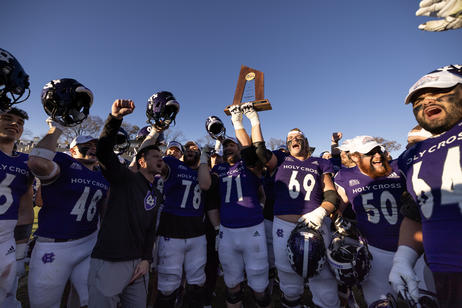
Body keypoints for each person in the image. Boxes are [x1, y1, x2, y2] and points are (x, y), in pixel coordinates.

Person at [388, 64, 462, 307]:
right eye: (418, 99)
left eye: (438, 91)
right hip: (442, 272)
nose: (427, 100)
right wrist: (403, 258)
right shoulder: (412, 155)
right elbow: (415, 211)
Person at [254, 104, 340, 307]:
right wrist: (254, 121)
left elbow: (330, 194)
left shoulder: (320, 162)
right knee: (289, 284)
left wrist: (320, 212)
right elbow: (259, 152)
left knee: (325, 283)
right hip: (283, 225)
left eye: (297, 137)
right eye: (290, 138)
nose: (294, 140)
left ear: (305, 141)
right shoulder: (282, 159)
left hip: (316, 224)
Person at [88, 99, 164, 308]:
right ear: (141, 161)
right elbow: (104, 153)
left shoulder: (155, 193)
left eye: (162, 156)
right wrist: (115, 119)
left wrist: (146, 259)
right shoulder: (125, 178)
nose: (161, 159)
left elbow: (150, 230)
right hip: (111, 259)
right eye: (155, 156)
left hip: (138, 264)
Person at [199, 103, 270, 308]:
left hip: (252, 228)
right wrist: (205, 157)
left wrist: (239, 123)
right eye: (226, 145)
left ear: (239, 147)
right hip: (228, 231)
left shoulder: (249, 165)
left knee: (259, 286)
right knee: (232, 284)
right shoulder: (219, 168)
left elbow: (251, 153)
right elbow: (204, 184)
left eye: (233, 144)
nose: (229, 147)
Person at [334, 136, 407, 304]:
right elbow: (338, 208)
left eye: (378, 150)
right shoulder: (345, 176)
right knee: (380, 302)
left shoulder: (397, 167)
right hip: (375, 251)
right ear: (354, 157)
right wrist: (341, 227)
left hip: (410, 247)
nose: (377, 156)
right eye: (369, 153)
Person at [0, 108, 34, 306]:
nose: (15, 124)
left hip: (7, 236)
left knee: (7, 294)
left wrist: (21, 248)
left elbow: (25, 205)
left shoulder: (25, 162)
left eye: (20, 122)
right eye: (7, 118)